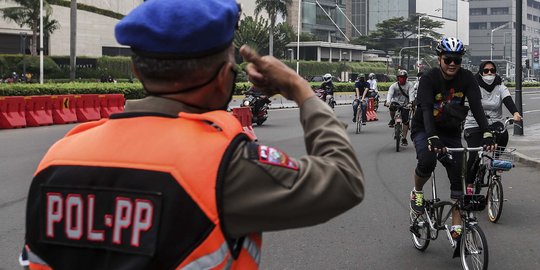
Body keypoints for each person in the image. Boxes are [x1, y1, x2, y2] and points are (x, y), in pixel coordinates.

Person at [21, 0, 365, 269]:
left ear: (136, 69)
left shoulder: (58, 157)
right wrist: (300, 89)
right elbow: (344, 179)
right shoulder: (226, 166)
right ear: (222, 78)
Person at [409, 37, 496, 242]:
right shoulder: (429, 79)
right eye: (448, 59)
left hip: (450, 132)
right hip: (425, 128)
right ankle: (417, 191)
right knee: (427, 161)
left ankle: (456, 227)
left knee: (459, 174)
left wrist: (487, 133)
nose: (452, 64)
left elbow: (476, 106)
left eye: (457, 60)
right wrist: (432, 137)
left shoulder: (466, 78)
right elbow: (427, 111)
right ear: (439, 58)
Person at [464, 61, 523, 190]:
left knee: (502, 136)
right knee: (474, 156)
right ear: (480, 72)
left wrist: (516, 113)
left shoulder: (500, 86)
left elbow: (508, 100)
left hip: (494, 123)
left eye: (492, 70)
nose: (489, 73)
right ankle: (469, 184)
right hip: (474, 123)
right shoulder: (474, 86)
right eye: (486, 71)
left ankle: (490, 165)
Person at [385, 70, 414, 146]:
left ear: (406, 78)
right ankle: (392, 119)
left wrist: (411, 103)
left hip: (406, 104)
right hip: (396, 102)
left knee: (406, 121)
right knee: (391, 107)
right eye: (400, 77)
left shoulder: (410, 85)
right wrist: (388, 102)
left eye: (403, 77)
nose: (402, 79)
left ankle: (404, 138)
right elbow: (390, 94)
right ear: (397, 78)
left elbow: (411, 94)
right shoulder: (394, 86)